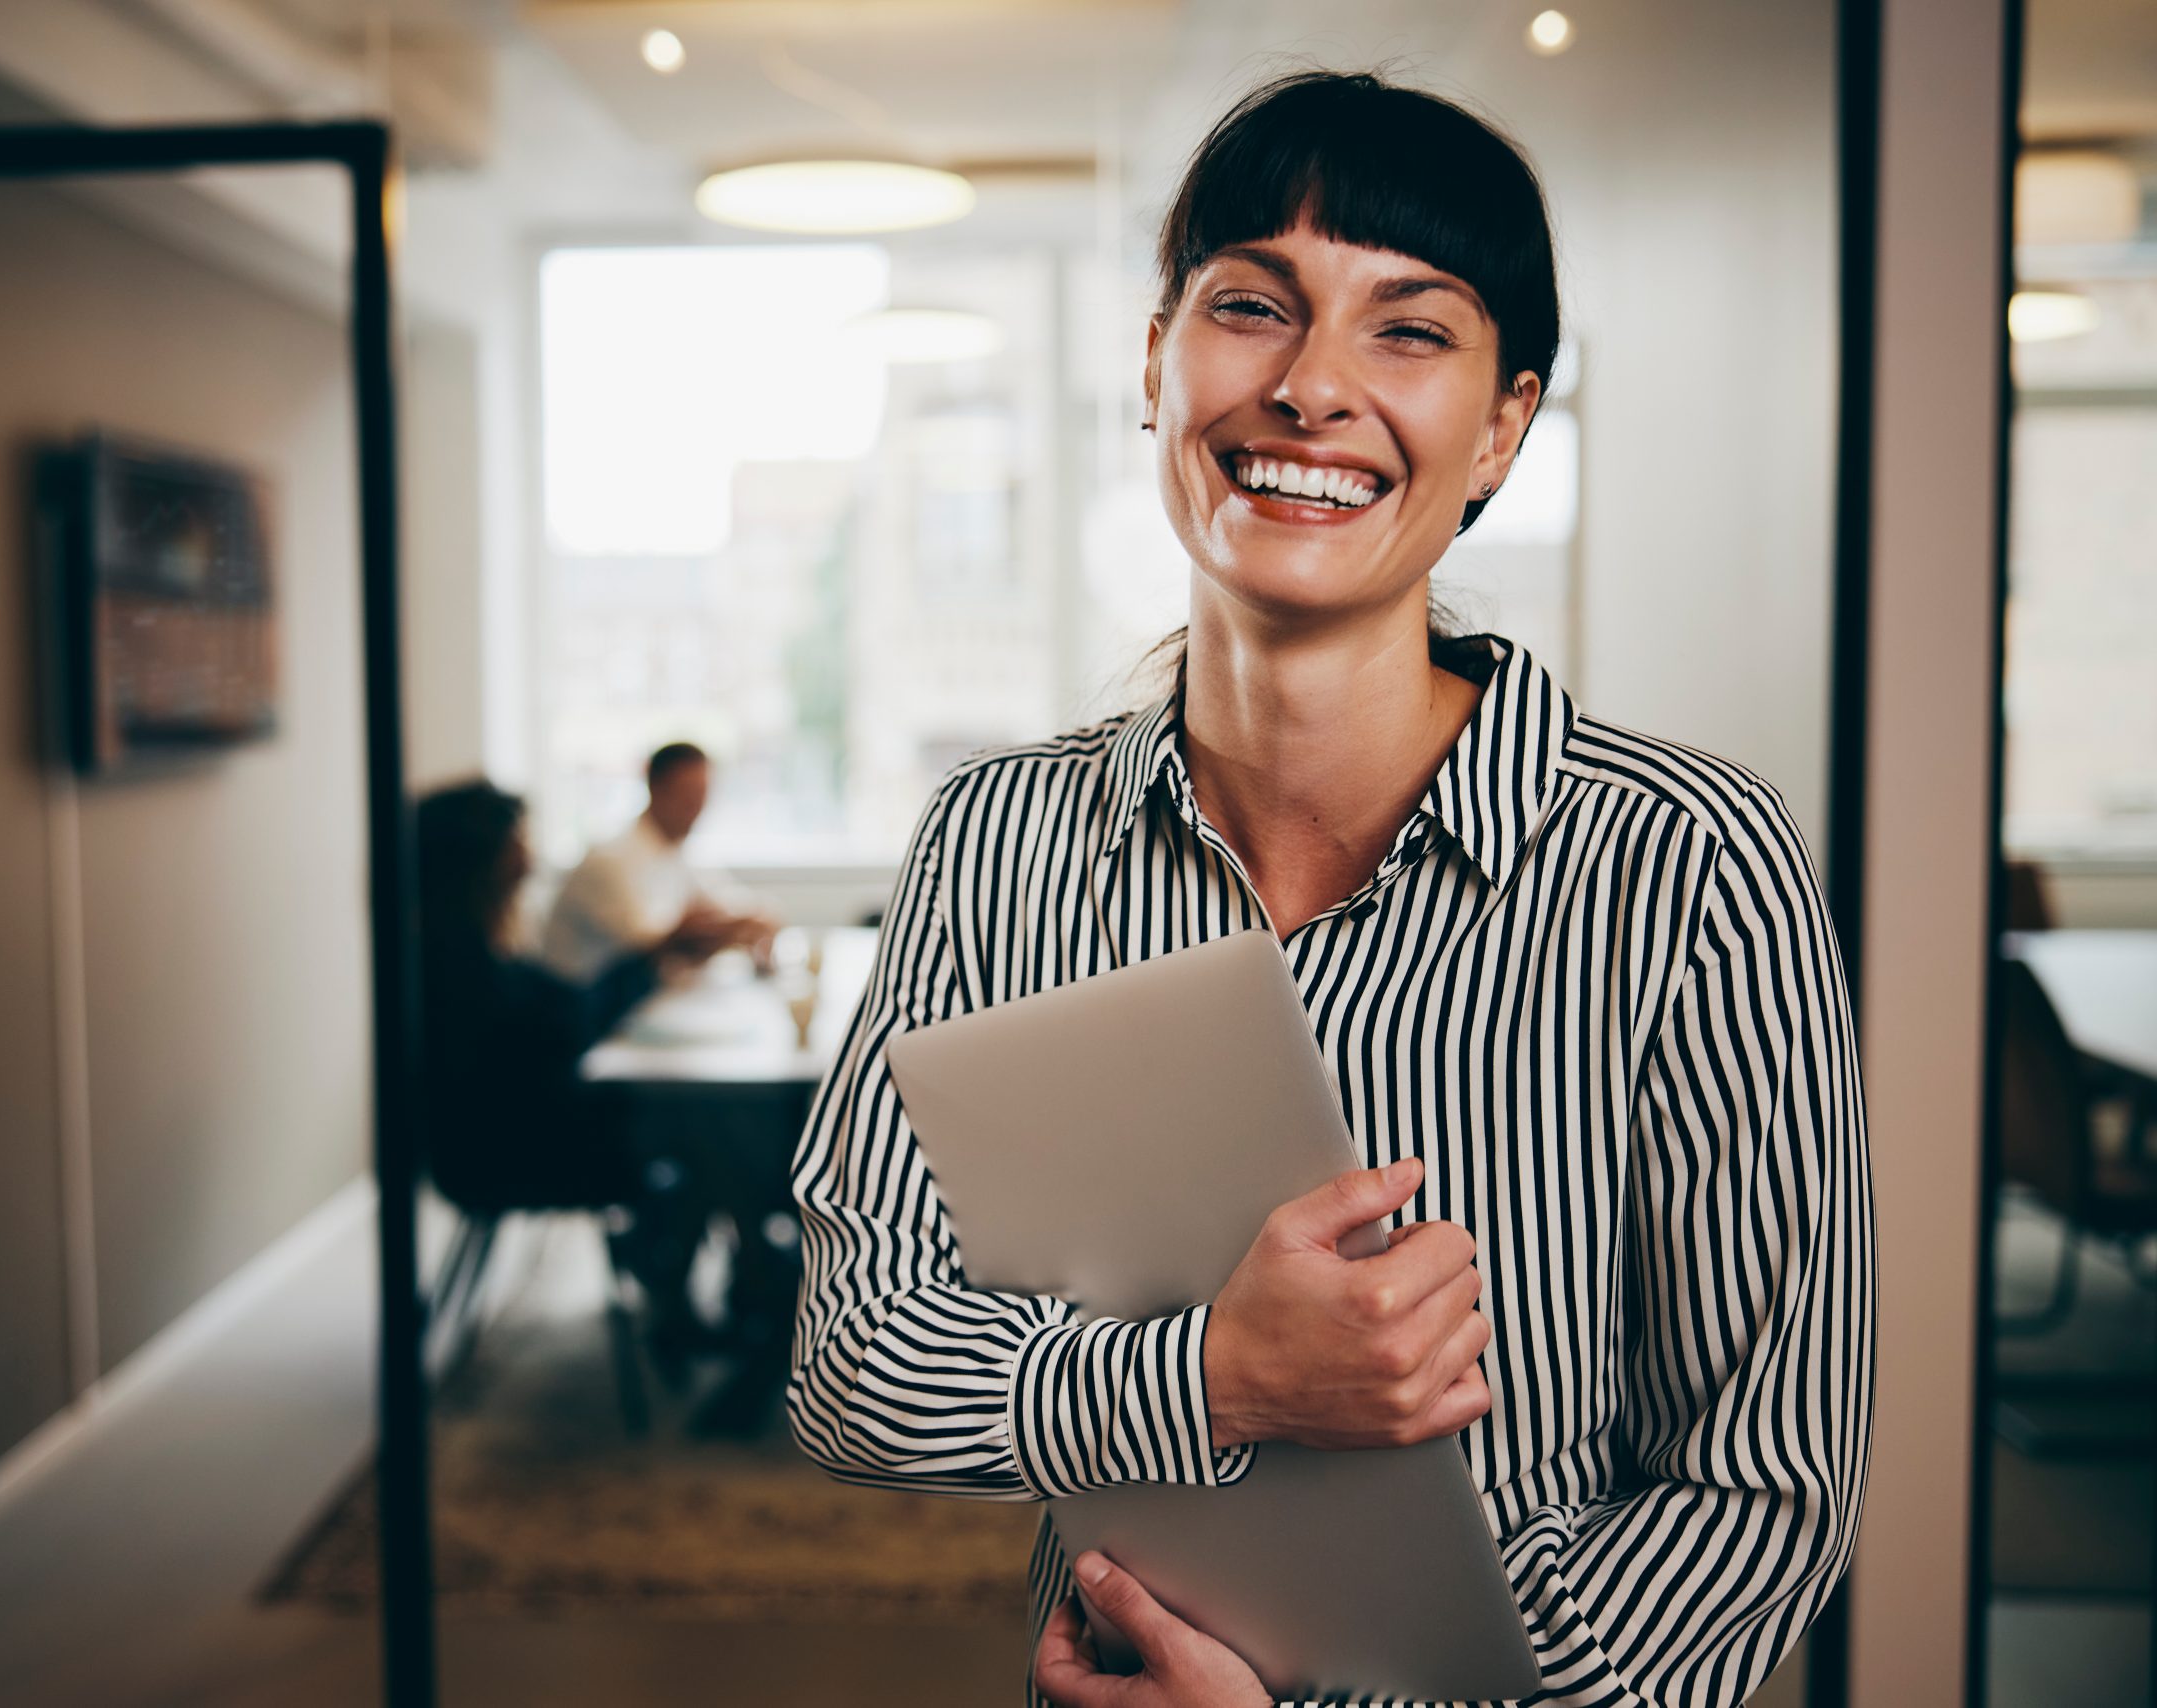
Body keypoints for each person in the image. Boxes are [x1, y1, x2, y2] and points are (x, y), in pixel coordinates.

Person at [785, 70, 1872, 1708]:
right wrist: (1215, 1373)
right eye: (1250, 306)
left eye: (1409, 331)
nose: (1310, 387)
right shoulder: (993, 841)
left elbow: (1764, 1485)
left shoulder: (1692, 864)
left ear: (1503, 424)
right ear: (1155, 364)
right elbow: (854, 1359)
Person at [416, 779, 746, 1332]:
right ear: (484, 858)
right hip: (515, 1150)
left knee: (704, 1129)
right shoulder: (465, 965)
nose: (530, 857)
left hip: (513, 1131)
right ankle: (698, 1291)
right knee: (709, 1133)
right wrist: (654, 957)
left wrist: (655, 957)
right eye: (517, 841)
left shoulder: (458, 946)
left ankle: (687, 1290)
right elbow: (563, 1025)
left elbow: (561, 1014)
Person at [539, 741, 775, 982]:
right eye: (688, 796)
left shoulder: (676, 851)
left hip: (633, 1001)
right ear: (656, 788)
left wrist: (752, 920)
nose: (697, 809)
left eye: (703, 795)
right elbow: (650, 948)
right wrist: (718, 931)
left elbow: (730, 902)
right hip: (586, 1008)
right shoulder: (610, 861)